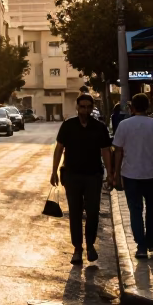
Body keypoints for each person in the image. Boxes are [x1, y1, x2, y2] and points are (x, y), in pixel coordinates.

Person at [50, 93, 113, 266]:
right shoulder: (68, 125)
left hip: (94, 176)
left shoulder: (99, 127)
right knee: (75, 213)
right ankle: (77, 249)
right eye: (82, 106)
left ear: (92, 108)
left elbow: (106, 151)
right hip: (72, 175)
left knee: (93, 212)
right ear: (77, 107)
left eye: (88, 107)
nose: (85, 110)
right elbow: (59, 148)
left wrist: (111, 174)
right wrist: (54, 171)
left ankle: (91, 245)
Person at [113, 92, 153, 259]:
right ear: (148, 107)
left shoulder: (124, 125)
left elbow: (118, 151)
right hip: (152, 173)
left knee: (135, 209)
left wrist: (116, 173)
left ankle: (141, 246)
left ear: (132, 107)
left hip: (130, 175)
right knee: (152, 207)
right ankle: (150, 238)